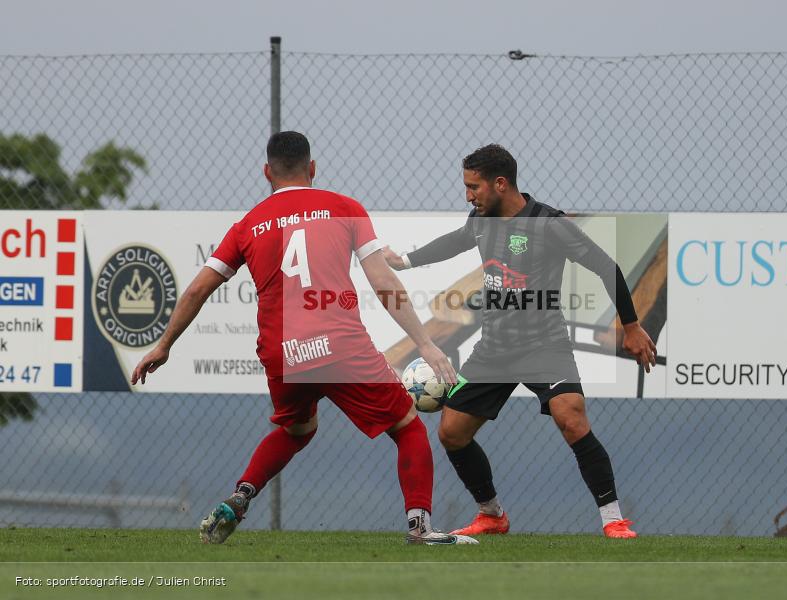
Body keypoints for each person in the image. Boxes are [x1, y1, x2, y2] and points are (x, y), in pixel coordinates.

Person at [131, 131, 476, 546]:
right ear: (312, 168)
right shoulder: (345, 208)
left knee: (297, 429)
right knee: (408, 427)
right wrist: (424, 342)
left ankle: (240, 496)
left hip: (282, 350)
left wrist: (164, 344)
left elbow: (196, 291)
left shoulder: (246, 225)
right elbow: (383, 280)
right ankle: (420, 529)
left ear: (266, 173)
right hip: (340, 343)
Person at [384, 144, 656, 539]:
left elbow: (605, 266)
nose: (468, 195)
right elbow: (457, 241)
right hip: (495, 348)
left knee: (571, 417)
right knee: (452, 433)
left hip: (544, 346)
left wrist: (630, 326)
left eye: (473, 186)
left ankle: (613, 520)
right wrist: (406, 261)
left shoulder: (550, 224)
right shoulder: (480, 220)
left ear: (500, 183)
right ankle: (491, 515)